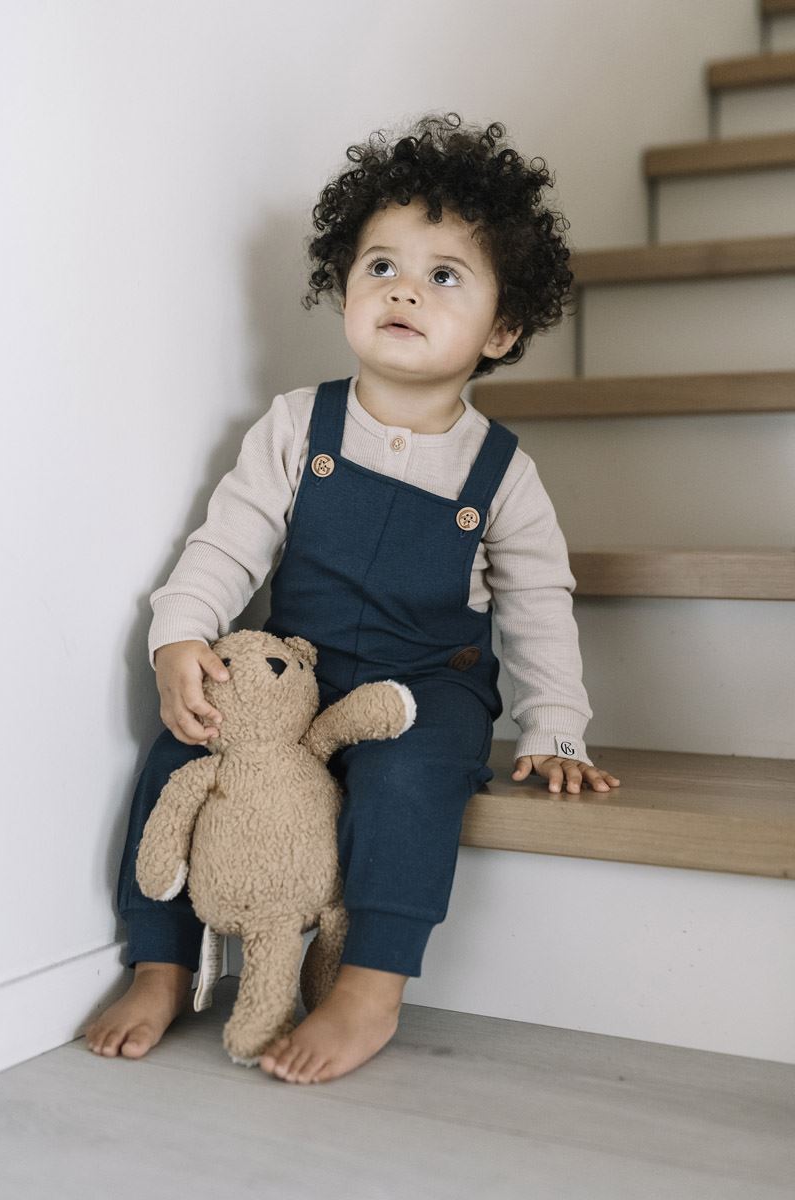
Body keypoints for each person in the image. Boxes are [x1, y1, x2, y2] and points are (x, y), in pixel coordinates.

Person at [85, 112, 620, 1083]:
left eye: (444, 276)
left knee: (407, 778)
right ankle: (159, 962)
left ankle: (370, 987)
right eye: (381, 266)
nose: (404, 289)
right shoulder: (298, 426)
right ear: (345, 289)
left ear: (501, 329)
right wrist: (181, 636)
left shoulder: (501, 473)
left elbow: (540, 606)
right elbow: (228, 541)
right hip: (298, 670)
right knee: (183, 748)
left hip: (426, 684)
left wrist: (555, 728)